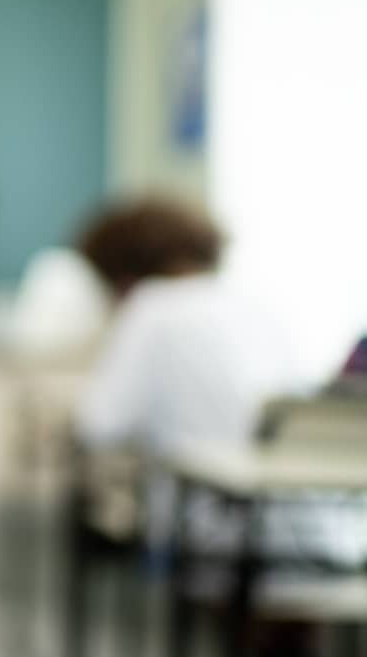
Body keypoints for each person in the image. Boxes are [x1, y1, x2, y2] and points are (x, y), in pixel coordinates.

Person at [73, 198, 367, 566]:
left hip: (213, 540)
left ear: (123, 273)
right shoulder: (259, 304)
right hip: (319, 533)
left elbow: (98, 424)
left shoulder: (151, 307)